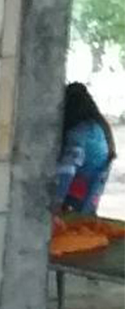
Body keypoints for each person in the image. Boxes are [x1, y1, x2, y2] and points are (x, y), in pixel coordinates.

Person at [57, 82, 116, 214]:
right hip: (89, 196)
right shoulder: (100, 129)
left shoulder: (79, 133)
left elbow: (67, 169)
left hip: (73, 198)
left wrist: (57, 202)